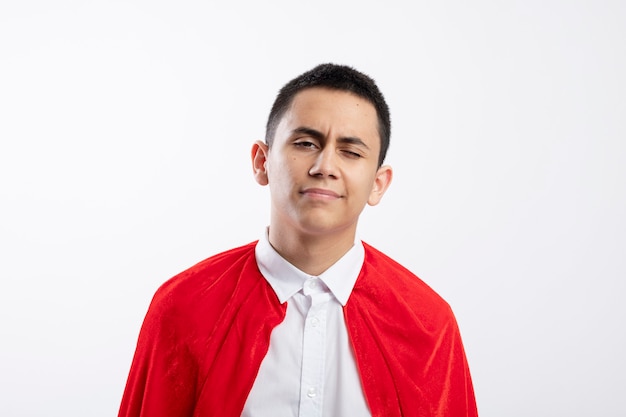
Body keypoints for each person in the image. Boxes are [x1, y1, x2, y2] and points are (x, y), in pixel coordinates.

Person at [118, 63, 478, 417]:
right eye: (306, 143)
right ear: (261, 161)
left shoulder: (427, 324)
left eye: (351, 152)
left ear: (378, 183)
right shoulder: (183, 307)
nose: (325, 166)